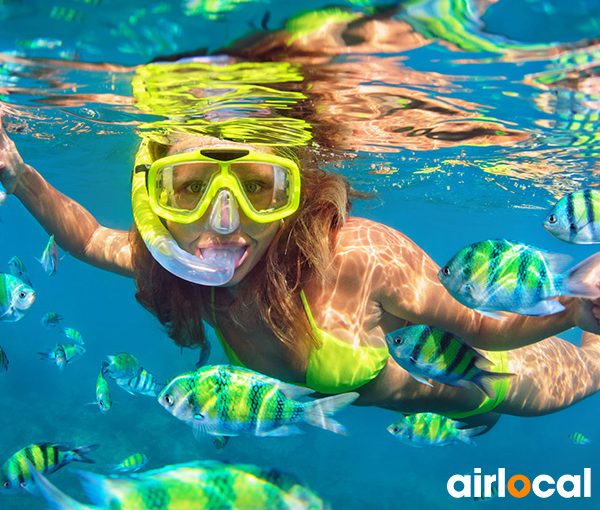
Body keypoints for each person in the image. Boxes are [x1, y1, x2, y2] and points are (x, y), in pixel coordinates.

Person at [2, 113, 600, 434]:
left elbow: (484, 329)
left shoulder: (358, 257)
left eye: (258, 187)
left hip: (497, 383)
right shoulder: (176, 265)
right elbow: (83, 238)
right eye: (189, 190)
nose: (224, 224)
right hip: (423, 410)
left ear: (294, 191)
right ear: (155, 201)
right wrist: (15, 170)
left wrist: (575, 310)